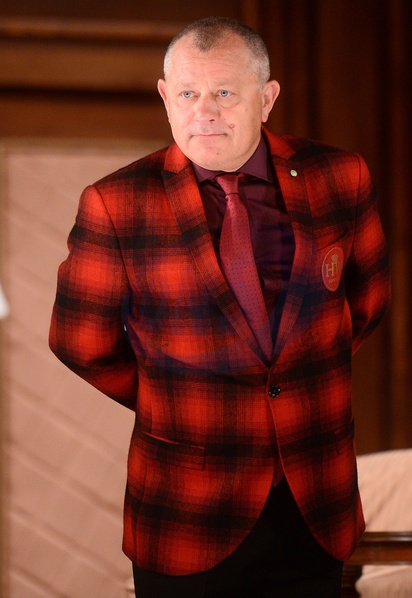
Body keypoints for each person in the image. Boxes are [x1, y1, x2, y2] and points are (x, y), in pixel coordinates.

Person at [49, 16, 390, 598]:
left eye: (225, 92)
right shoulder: (115, 203)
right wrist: (170, 397)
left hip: (315, 504)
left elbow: (367, 301)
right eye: (187, 94)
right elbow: (80, 342)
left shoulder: (341, 176)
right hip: (186, 510)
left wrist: (293, 381)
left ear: (267, 98)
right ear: (165, 97)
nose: (204, 112)